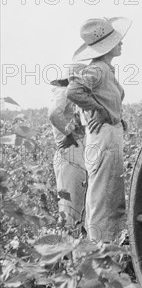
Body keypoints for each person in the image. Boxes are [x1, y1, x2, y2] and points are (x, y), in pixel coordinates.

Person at [67, 17, 132, 243]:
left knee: (111, 192)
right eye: (117, 40)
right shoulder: (97, 69)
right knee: (103, 195)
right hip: (103, 137)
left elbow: (105, 99)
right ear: (107, 46)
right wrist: (99, 111)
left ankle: (110, 247)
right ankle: (100, 247)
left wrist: (115, 117)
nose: (121, 43)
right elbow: (73, 91)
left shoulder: (105, 70)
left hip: (109, 135)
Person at [48, 63, 87, 231]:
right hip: (69, 155)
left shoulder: (70, 97)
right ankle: (65, 254)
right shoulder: (63, 92)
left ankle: (74, 252)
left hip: (76, 155)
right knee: (69, 209)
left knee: (77, 207)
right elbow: (53, 113)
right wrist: (70, 134)